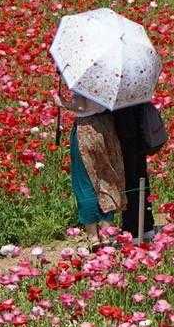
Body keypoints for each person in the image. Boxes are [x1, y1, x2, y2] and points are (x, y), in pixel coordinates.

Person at [53, 73, 125, 247]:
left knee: (84, 182)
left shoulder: (83, 75)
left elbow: (81, 105)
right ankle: (107, 233)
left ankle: (93, 237)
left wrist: (62, 103)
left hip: (86, 129)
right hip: (106, 126)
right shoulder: (109, 74)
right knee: (107, 179)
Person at [112, 103, 157, 239]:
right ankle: (147, 226)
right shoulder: (137, 90)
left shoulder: (117, 95)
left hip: (124, 133)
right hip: (139, 130)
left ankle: (133, 229)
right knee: (140, 177)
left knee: (130, 182)